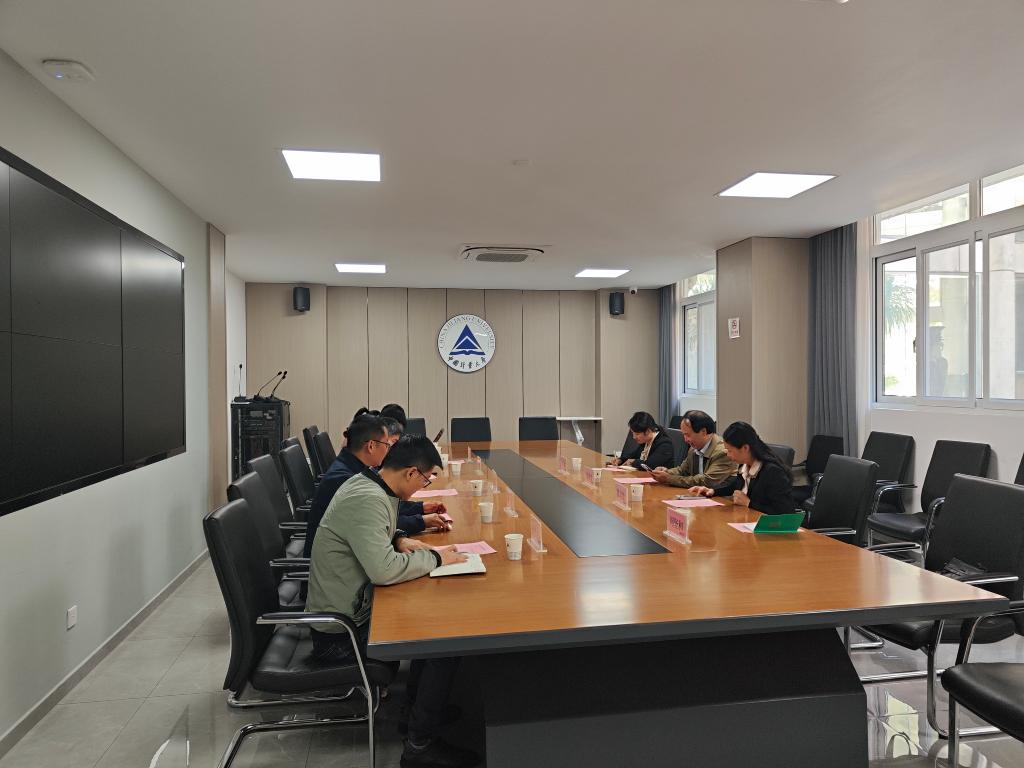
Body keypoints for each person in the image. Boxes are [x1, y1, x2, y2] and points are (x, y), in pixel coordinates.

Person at [306, 436, 478, 768]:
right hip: (339, 634)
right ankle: (419, 744)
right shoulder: (367, 498)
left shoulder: (369, 483)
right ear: (412, 473)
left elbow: (370, 532)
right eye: (426, 480)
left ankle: (416, 712)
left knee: (433, 622)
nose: (424, 487)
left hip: (353, 610)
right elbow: (384, 571)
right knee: (443, 641)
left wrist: (399, 539)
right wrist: (437, 558)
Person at [303, 415, 450, 557]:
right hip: (334, 562)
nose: (389, 450)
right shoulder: (346, 480)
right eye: (387, 444)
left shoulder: (355, 468)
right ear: (371, 446)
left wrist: (420, 508)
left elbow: (380, 511)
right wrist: (420, 522)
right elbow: (377, 523)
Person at [689, 421, 795, 516]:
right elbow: (736, 485)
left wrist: (749, 503)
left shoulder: (772, 472)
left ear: (745, 448)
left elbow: (785, 512)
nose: (728, 455)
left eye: (730, 451)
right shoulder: (744, 464)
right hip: (746, 520)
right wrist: (713, 491)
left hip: (766, 528)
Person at [650, 410, 736, 488]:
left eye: (688, 435)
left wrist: (668, 478)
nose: (685, 440)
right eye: (683, 435)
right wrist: (666, 472)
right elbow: (682, 470)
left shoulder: (723, 452)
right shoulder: (693, 448)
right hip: (697, 495)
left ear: (703, 432)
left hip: (721, 498)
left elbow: (707, 482)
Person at [607, 411, 675, 470]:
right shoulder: (646, 441)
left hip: (658, 480)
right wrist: (620, 460)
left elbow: (649, 465)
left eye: (637, 434)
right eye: (632, 433)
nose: (634, 437)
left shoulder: (665, 444)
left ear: (648, 431)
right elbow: (633, 456)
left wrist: (633, 462)